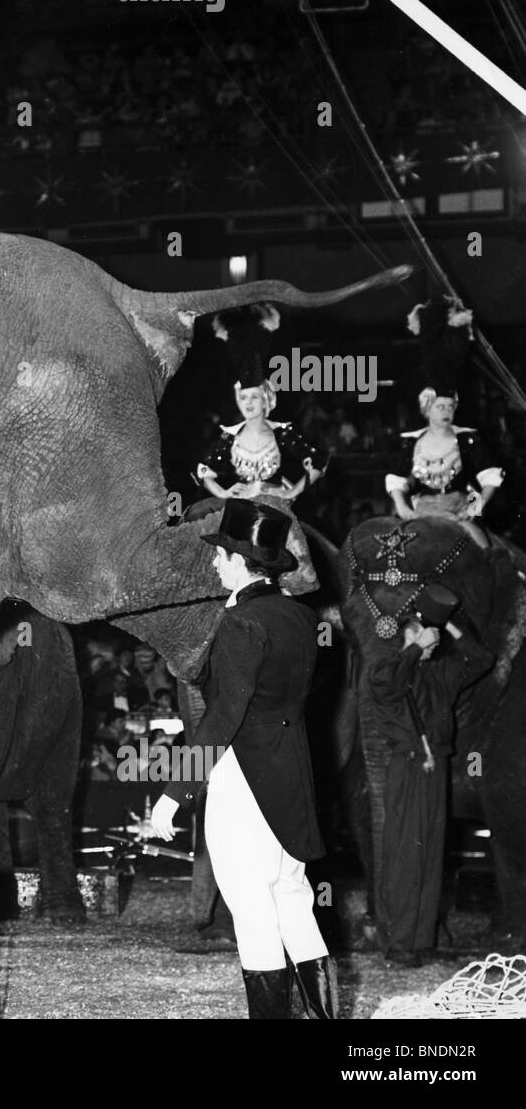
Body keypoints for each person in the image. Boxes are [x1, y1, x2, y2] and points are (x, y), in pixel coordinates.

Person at [150, 498, 335, 1018]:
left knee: (253, 913)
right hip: (293, 774)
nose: (214, 564)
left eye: (221, 556)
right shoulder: (300, 618)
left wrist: (174, 794)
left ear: (239, 562)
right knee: (294, 902)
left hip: (244, 780)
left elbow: (224, 716)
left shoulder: (239, 624)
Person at [368, 583, 493, 967]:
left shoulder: (440, 675)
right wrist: (414, 645)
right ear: (408, 637)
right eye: (425, 639)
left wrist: (448, 624)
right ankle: (398, 942)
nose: (434, 645)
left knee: (429, 856)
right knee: (405, 856)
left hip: (435, 769)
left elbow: (481, 659)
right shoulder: (388, 672)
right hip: (406, 768)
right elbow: (388, 683)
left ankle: (421, 940)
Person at [385, 297, 503, 548]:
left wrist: (472, 510)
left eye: (450, 406)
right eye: (440, 406)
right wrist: (403, 508)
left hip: (459, 509)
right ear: (427, 409)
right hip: (421, 512)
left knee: (484, 549)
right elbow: (396, 479)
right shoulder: (412, 440)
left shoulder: (467, 438)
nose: (447, 411)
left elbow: (490, 479)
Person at [195, 304, 325, 506]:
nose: (248, 403)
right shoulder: (230, 436)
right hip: (238, 510)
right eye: (244, 398)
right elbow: (203, 470)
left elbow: (318, 461)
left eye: (254, 397)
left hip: (274, 511)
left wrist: (289, 493)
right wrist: (223, 493)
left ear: (266, 400)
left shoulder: (282, 433)